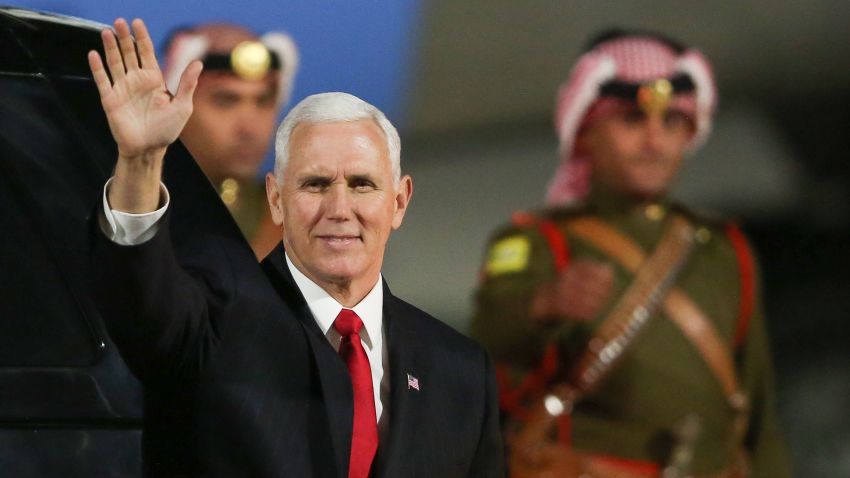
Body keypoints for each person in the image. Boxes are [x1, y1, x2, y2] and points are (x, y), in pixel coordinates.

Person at [87, 18, 502, 477]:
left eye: (362, 184)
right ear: (277, 199)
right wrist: (141, 162)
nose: (339, 208)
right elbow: (140, 304)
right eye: (316, 184)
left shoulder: (461, 371)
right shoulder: (212, 323)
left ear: (399, 202)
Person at [471, 29, 791, 478]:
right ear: (586, 133)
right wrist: (544, 304)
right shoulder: (539, 241)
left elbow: (756, 406)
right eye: (631, 120)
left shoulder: (721, 248)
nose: (654, 141)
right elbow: (487, 340)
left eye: (672, 123)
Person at [163, 22, 299, 258]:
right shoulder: (138, 213)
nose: (249, 127)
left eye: (263, 101)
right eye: (225, 101)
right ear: (175, 104)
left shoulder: (296, 224)